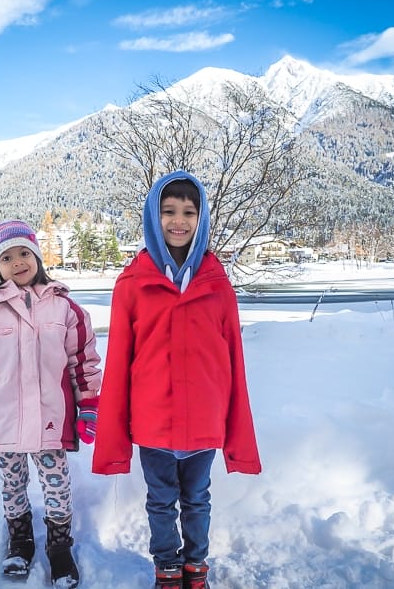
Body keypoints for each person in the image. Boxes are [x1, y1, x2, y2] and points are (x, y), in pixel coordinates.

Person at [92, 171, 261, 589]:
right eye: (168, 211)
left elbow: (233, 359)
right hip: (153, 422)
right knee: (161, 502)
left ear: (201, 218)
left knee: (198, 499)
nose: (178, 220)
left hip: (205, 419)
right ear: (154, 216)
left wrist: (233, 422)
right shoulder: (132, 283)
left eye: (189, 211)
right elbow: (119, 361)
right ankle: (167, 568)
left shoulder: (217, 282)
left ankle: (195, 567)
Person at [0, 219, 101, 588]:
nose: (17, 262)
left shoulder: (66, 309)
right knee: (12, 486)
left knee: (57, 485)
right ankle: (20, 542)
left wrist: (89, 405)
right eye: (6, 257)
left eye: (24, 253)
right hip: (5, 423)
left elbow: (83, 361)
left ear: (37, 257)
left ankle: (60, 549)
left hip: (51, 421)